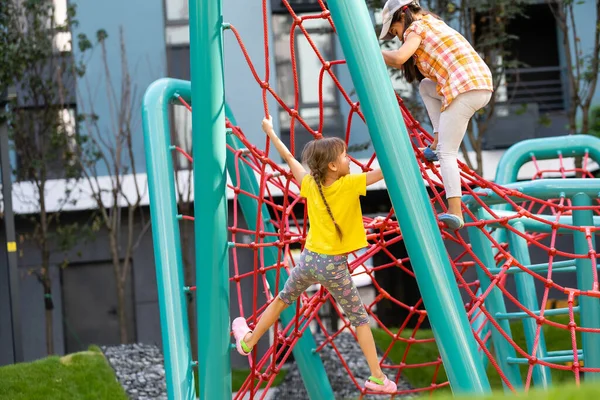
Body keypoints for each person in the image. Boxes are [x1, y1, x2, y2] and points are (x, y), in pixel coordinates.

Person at [231, 116, 396, 394]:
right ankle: (378, 376)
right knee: (359, 319)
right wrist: (405, 151)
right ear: (333, 165)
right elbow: (384, 172)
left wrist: (270, 131)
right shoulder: (349, 184)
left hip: (308, 261)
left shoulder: (310, 185)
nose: (349, 159)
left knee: (283, 300)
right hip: (333, 266)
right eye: (345, 156)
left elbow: (289, 159)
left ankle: (249, 340)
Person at [379, 0, 493, 229]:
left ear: (403, 16)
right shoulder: (433, 22)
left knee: (447, 153)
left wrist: (371, 52)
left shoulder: (415, 29)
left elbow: (400, 58)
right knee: (426, 87)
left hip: (464, 88)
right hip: (479, 85)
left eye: (395, 31)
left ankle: (455, 212)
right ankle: (437, 138)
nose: (399, 36)